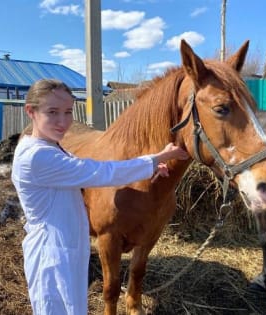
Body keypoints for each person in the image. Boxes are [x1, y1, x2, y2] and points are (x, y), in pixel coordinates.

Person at [11, 79, 190, 315]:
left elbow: (82, 165)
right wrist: (154, 159)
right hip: (53, 252)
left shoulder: (49, 146)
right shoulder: (37, 156)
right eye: (52, 112)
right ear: (31, 111)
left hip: (66, 244)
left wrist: (149, 169)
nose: (63, 121)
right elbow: (99, 172)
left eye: (67, 112)